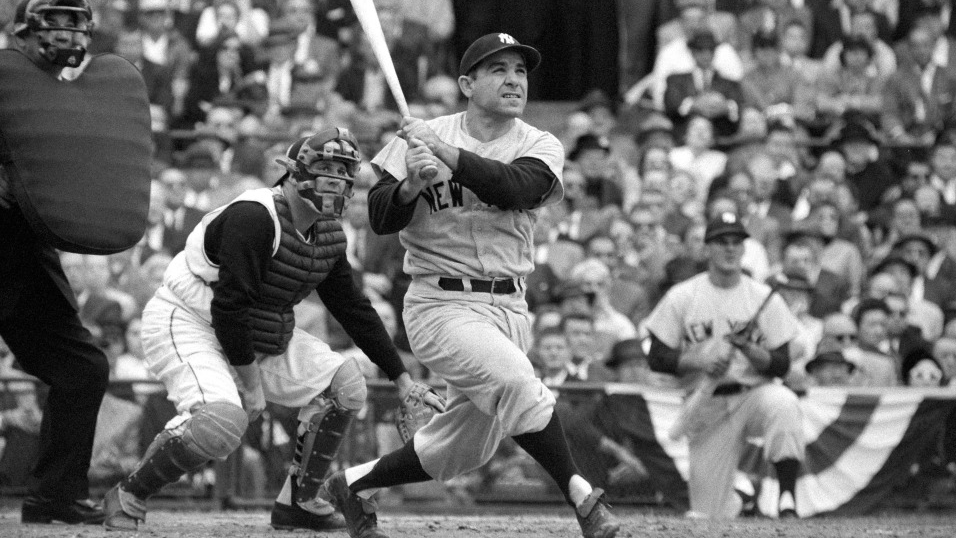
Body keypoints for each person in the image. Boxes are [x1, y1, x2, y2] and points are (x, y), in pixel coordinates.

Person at [316, 33, 620, 538]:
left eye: (520, 71)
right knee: (519, 386)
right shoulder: (420, 135)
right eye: (497, 70)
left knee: (463, 448)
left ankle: (352, 484)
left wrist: (449, 157)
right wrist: (412, 184)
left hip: (509, 305)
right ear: (466, 83)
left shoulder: (540, 144)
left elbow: (516, 188)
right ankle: (584, 498)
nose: (513, 80)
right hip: (440, 302)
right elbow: (379, 217)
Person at [100, 129, 442, 532]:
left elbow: (352, 308)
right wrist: (251, 386)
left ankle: (297, 502)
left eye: (345, 171)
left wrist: (402, 380)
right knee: (221, 424)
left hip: (258, 326)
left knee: (346, 385)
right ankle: (129, 493)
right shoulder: (255, 215)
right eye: (325, 168)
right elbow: (228, 308)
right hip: (190, 320)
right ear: (293, 173)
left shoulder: (329, 231)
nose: (336, 180)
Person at [0, 0, 152, 525]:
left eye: (74, 22)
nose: (66, 33)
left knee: (83, 369)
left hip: (22, 259)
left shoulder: (79, 102)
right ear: (26, 30)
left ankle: (54, 496)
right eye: (54, 22)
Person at [646, 212, 804, 519]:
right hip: (707, 404)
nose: (730, 249)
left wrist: (750, 350)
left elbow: (781, 365)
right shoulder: (683, 295)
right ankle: (743, 494)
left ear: (745, 249)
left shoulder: (762, 297)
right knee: (708, 515)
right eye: (721, 242)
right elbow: (657, 358)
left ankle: (787, 499)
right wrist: (700, 361)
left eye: (736, 242)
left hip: (752, 394)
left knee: (784, 403)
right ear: (707, 249)